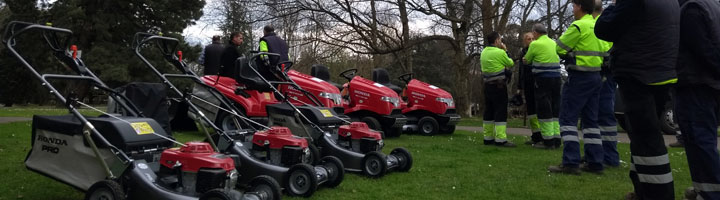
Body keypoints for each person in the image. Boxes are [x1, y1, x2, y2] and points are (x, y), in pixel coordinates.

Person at [595, 0, 679, 198]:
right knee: (642, 138)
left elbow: (604, 28)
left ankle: (657, 194)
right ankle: (642, 189)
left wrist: (613, 7)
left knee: (647, 140)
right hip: (662, 72)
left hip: (639, 74)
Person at [547, 0, 605, 175]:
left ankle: (570, 162)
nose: (572, 9)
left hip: (579, 77)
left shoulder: (578, 26)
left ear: (579, 7)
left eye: (573, 6)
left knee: (567, 119)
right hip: (596, 76)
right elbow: (606, 48)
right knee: (591, 122)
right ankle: (595, 162)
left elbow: (559, 48)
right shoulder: (597, 26)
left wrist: (570, 55)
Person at [675, 0, 720, 199]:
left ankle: (711, 192)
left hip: (696, 84)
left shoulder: (692, 9)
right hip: (706, 84)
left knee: (699, 140)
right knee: (700, 140)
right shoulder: (713, 6)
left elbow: (701, 49)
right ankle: (703, 189)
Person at [523, 24, 562, 149]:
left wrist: (526, 59)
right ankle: (557, 138)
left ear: (535, 32)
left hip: (542, 79)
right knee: (555, 107)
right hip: (557, 78)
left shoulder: (535, 44)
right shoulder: (553, 42)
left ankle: (548, 141)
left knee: (544, 108)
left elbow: (527, 59)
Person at [592, 0, 619, 168]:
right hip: (604, 73)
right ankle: (599, 154)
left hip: (603, 74)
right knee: (598, 115)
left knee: (603, 114)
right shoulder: (607, 21)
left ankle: (608, 156)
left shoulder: (602, 23)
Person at [480, 31, 516, 147]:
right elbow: (510, 63)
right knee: (500, 111)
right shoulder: (500, 52)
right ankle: (500, 139)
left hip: (487, 86)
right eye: (500, 39)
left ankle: (488, 138)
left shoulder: (483, 52)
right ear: (496, 41)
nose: (501, 41)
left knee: (488, 112)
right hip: (499, 86)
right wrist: (505, 50)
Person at [518, 32, 543, 145]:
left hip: (537, 83)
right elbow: (520, 70)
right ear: (525, 41)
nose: (531, 41)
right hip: (527, 84)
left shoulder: (538, 50)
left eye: (533, 38)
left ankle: (543, 135)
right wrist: (519, 86)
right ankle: (535, 135)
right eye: (529, 39)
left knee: (540, 109)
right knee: (531, 111)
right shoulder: (523, 52)